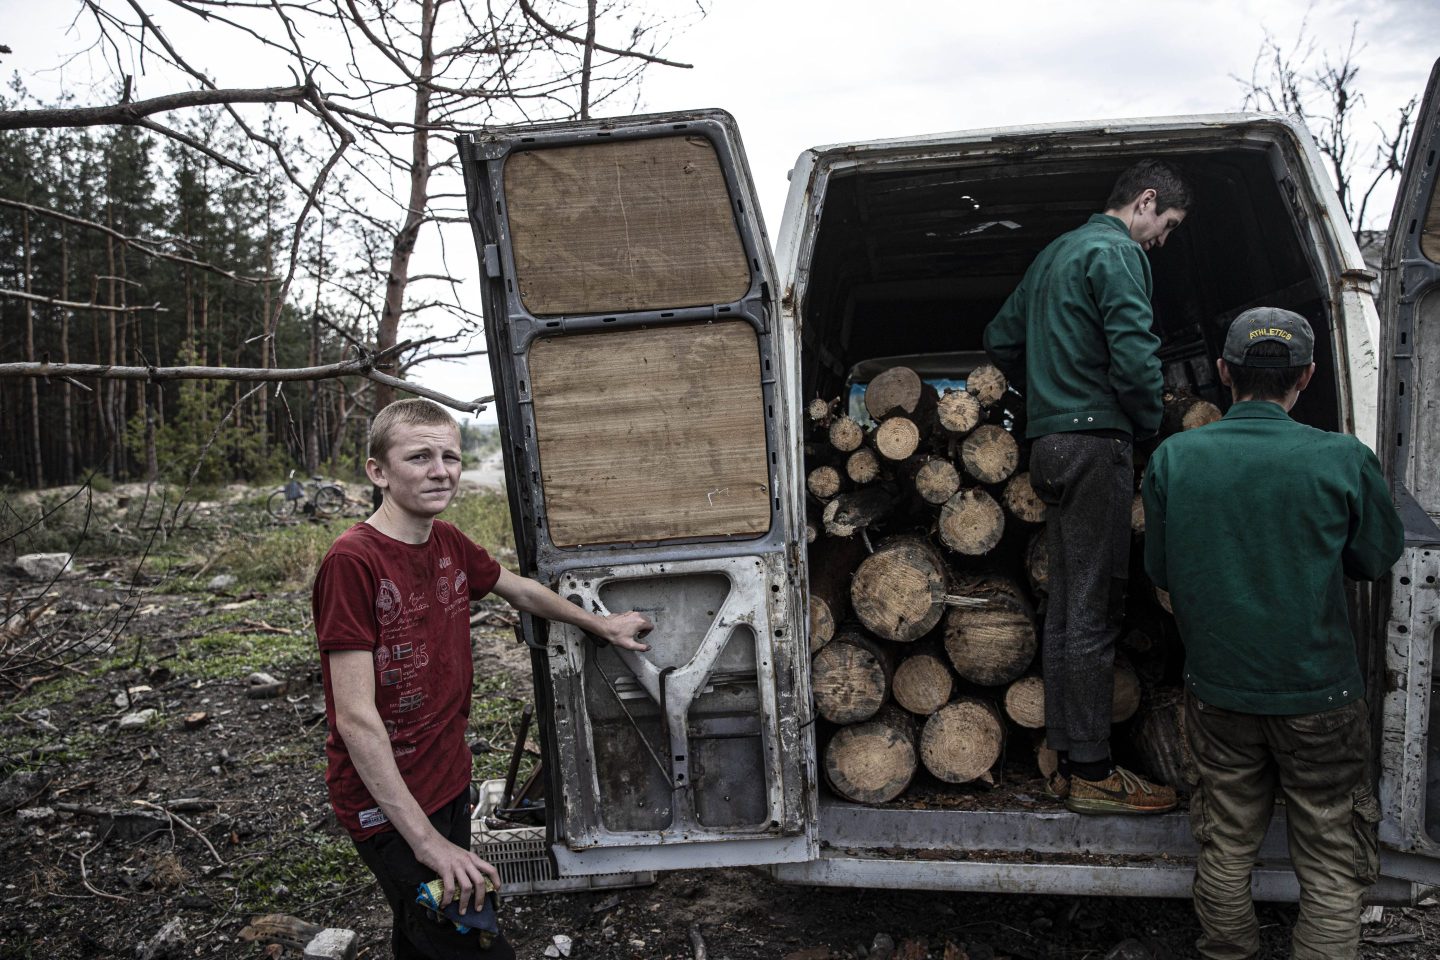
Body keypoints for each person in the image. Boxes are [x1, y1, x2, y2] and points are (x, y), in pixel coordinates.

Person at [313, 398, 653, 960]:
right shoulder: (353, 561)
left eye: (450, 456)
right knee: (472, 941)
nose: (440, 471)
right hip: (388, 801)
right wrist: (429, 844)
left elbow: (519, 589)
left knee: (421, 933)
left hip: (446, 775)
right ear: (378, 471)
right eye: (419, 457)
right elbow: (354, 718)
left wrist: (601, 624)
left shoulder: (447, 542)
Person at [1142, 307, 1404, 959]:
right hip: (1321, 696)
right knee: (1331, 853)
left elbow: (1162, 571)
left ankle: (1227, 950)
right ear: (1307, 376)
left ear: (1224, 372)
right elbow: (1375, 559)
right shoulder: (1343, 458)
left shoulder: (1175, 457)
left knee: (1226, 844)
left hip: (1219, 694)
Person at [983, 158, 1192, 814]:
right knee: (1095, 610)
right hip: (1095, 444)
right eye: (1167, 225)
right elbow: (1134, 356)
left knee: (1069, 606)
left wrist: (1046, 394)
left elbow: (1000, 339)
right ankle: (1096, 773)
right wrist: (1146, 420)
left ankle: (1064, 752)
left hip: (1049, 447)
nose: (1163, 240)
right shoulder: (1117, 252)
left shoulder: (1055, 254)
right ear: (1145, 202)